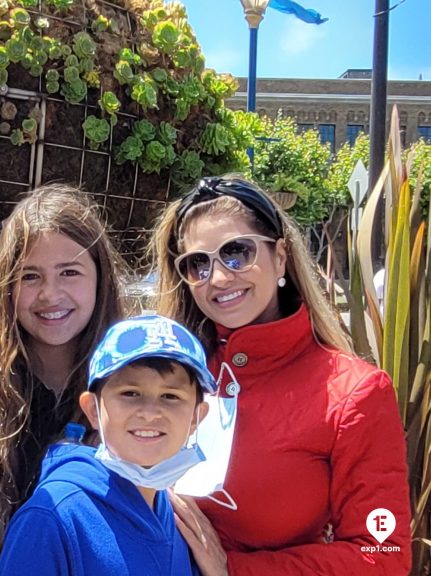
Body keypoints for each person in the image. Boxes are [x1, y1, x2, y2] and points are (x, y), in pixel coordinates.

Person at [153, 175, 412, 576]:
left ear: (281, 256)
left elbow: (384, 554)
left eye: (237, 252)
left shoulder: (355, 393)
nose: (219, 278)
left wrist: (234, 570)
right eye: (198, 264)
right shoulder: (164, 370)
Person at [0, 184, 123, 573]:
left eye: (69, 272)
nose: (50, 294)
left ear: (100, 278)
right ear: (6, 286)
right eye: (30, 276)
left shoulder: (131, 388)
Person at [0, 313, 217, 576]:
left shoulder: (177, 516)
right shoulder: (54, 518)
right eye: (130, 393)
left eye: (171, 396)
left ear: (196, 417)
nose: (149, 412)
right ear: (92, 410)